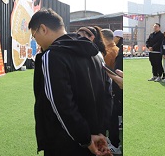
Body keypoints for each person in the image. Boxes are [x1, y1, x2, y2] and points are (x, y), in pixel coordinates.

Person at [28, 8, 111, 156]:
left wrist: (85, 139)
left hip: (65, 142)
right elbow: (107, 95)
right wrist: (99, 132)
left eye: (34, 36)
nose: (36, 41)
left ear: (43, 29)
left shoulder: (52, 56)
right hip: (96, 138)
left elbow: (61, 104)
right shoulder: (96, 53)